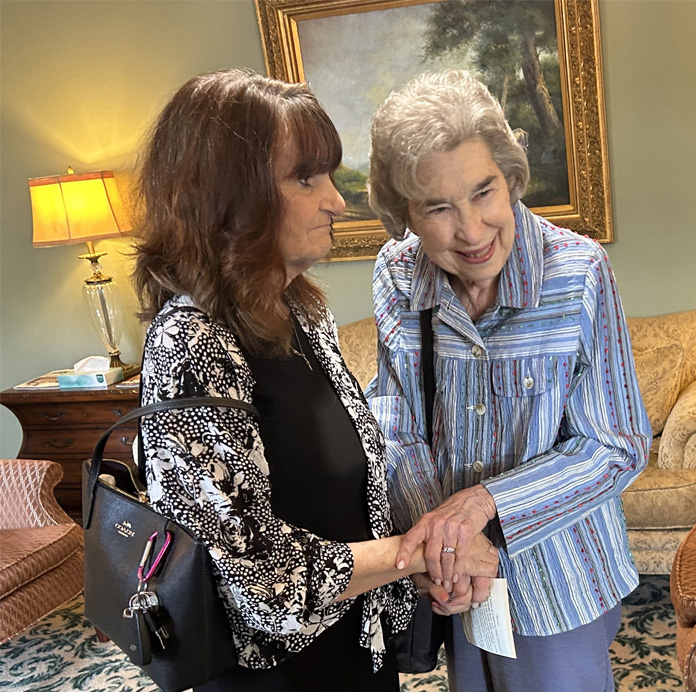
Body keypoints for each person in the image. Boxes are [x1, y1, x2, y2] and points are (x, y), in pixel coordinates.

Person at [132, 68, 498, 692]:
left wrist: (408, 565)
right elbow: (257, 578)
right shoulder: (192, 345)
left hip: (355, 646)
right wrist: (419, 550)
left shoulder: (301, 312)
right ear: (226, 196)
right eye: (305, 178)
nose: (336, 200)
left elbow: (343, 503)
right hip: (275, 675)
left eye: (329, 175)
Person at [366, 70, 651, 692]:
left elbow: (616, 444)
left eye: (483, 192)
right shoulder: (397, 274)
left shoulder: (578, 271)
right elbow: (395, 424)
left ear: (510, 177)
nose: (471, 231)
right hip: (460, 578)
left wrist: (484, 506)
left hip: (558, 577)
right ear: (404, 213)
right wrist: (447, 545)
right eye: (437, 207)